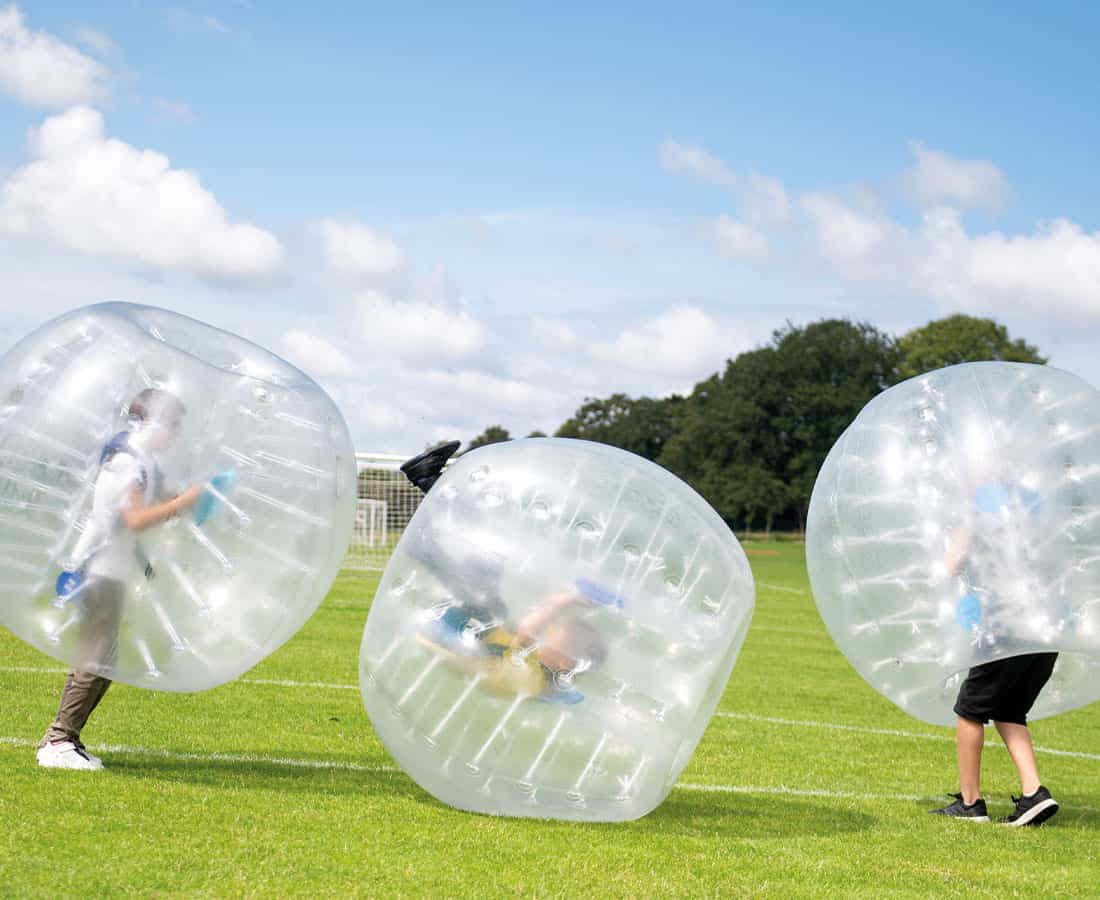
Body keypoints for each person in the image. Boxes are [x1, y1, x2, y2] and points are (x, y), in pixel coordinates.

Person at [36, 388, 205, 770]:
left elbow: (161, 499)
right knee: (96, 656)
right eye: (173, 425)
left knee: (104, 659)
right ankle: (57, 741)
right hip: (99, 568)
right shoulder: (128, 459)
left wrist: (197, 499)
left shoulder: (141, 459)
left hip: (113, 569)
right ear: (151, 421)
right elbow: (134, 518)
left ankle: (67, 738)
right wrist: (182, 503)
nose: (176, 434)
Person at [400, 442, 611, 702]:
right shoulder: (541, 670)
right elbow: (537, 614)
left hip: (448, 638)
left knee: (487, 586)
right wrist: (577, 590)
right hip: (469, 629)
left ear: (568, 664)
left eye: (559, 638)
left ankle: (426, 489)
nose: (549, 636)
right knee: (489, 562)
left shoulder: (531, 679)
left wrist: (563, 601)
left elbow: (525, 635)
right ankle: (428, 492)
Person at [930, 477, 1059, 826]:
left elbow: (950, 565)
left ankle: (970, 803)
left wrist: (954, 541)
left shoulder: (978, 512)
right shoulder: (1031, 508)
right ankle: (1034, 794)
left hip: (1007, 628)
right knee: (1009, 710)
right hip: (1046, 628)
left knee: (968, 710)